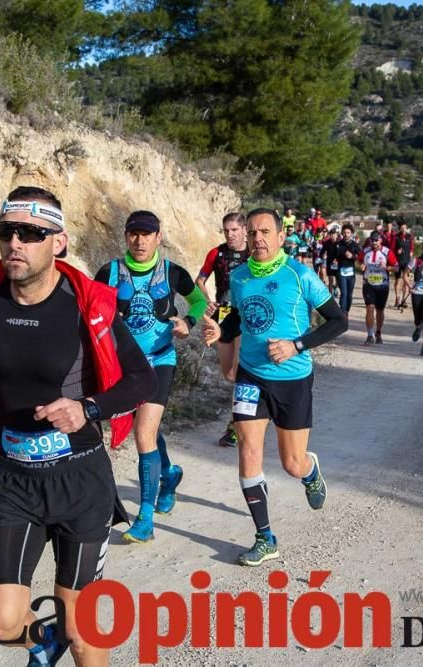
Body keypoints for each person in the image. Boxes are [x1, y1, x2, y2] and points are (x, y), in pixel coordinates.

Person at [0, 186, 157, 666]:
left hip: (80, 480)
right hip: (13, 478)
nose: (15, 244)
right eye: (7, 232)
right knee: (0, 625)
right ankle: (48, 637)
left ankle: (69, 632)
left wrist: (88, 407)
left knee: (85, 633)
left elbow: (141, 378)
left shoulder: (86, 304)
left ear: (58, 243)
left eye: (31, 234)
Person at [201, 209, 348, 567]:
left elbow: (338, 321)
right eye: (252, 233)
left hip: (293, 379)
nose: (258, 239)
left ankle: (310, 472)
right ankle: (265, 537)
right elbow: (240, 316)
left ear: (281, 237)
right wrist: (223, 331)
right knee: (248, 451)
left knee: (292, 463)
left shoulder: (300, 275)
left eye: (265, 232)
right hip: (252, 376)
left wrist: (296, 345)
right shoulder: (239, 276)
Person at [94, 211, 206, 542]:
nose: (140, 241)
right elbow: (90, 310)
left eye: (147, 234)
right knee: (147, 430)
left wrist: (189, 323)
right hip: (124, 365)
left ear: (159, 237)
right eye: (134, 234)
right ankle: (168, 474)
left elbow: (198, 300)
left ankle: (144, 518)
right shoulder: (110, 272)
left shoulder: (172, 272)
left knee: (143, 433)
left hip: (160, 359)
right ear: (126, 237)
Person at [196, 212, 250, 448]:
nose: (230, 234)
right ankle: (252, 407)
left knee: (240, 371)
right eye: (226, 230)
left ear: (244, 230)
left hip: (246, 315)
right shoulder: (216, 253)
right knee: (229, 374)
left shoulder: (253, 253)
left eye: (234, 230)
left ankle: (236, 424)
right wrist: (207, 300)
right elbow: (199, 280)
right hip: (223, 315)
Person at [359, 231, 399, 345]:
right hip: (368, 284)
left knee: (380, 311)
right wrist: (361, 266)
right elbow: (359, 262)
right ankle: (369, 334)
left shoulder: (387, 252)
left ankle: (378, 332)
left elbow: (397, 267)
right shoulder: (366, 251)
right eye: (372, 240)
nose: (374, 242)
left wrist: (387, 267)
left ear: (381, 240)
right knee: (370, 308)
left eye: (376, 240)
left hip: (382, 285)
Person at [335, 223, 362, 315]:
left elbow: (360, 257)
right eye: (344, 232)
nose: (346, 234)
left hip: (351, 272)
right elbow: (334, 255)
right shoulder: (338, 244)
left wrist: (352, 256)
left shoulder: (354, 245)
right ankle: (343, 313)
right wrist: (335, 258)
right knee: (344, 293)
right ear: (342, 233)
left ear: (351, 234)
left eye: (348, 232)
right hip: (341, 271)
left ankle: (346, 311)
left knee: (349, 295)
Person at [392, 222, 414, 308]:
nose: (403, 229)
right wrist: (396, 252)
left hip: (407, 262)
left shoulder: (409, 237)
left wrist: (411, 251)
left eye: (405, 227)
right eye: (402, 228)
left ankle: (404, 300)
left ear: (406, 228)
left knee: (406, 281)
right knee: (398, 281)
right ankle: (397, 299)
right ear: (400, 229)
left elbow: (412, 247)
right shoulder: (396, 237)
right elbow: (392, 249)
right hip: (398, 261)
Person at [322, 224, 341, 298]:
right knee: (330, 280)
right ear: (329, 235)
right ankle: (330, 296)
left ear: (337, 235)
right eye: (331, 234)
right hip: (330, 263)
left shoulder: (340, 243)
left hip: (338, 264)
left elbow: (342, 253)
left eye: (334, 234)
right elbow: (322, 253)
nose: (333, 236)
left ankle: (336, 287)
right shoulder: (326, 243)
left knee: (338, 280)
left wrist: (338, 259)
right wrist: (323, 255)